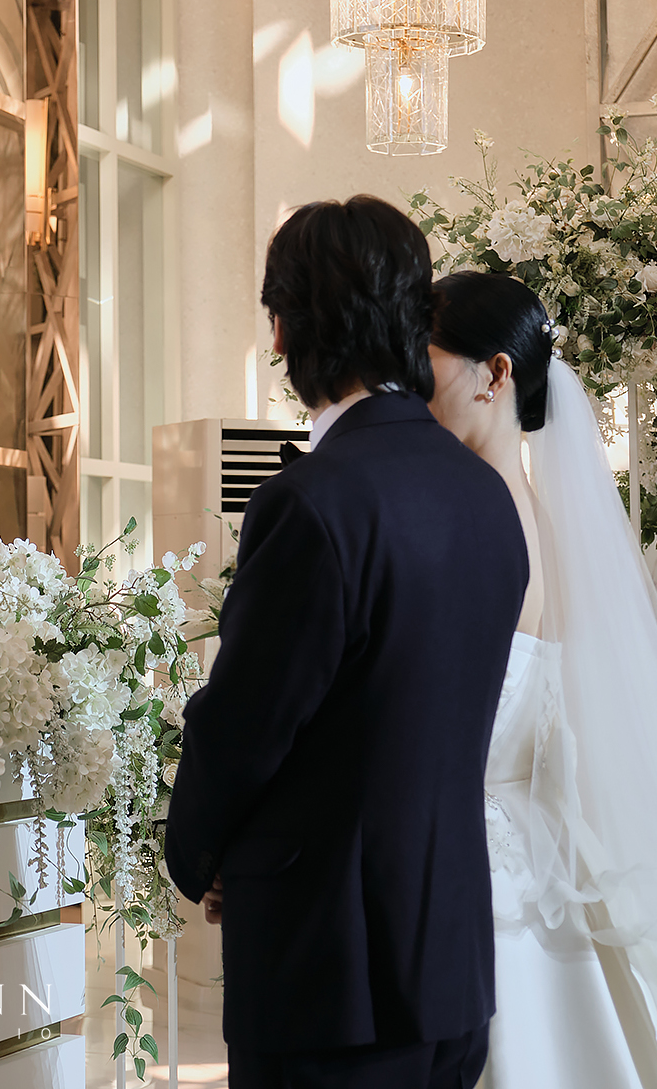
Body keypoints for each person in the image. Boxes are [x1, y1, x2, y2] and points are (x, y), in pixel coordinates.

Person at [164, 196, 530, 1089]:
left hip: (330, 973)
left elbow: (249, 723)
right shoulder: (487, 496)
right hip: (451, 961)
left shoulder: (310, 500)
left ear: (283, 330)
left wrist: (202, 853)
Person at [428, 271, 657, 1089]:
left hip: (484, 864)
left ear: (495, 374)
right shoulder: (539, 514)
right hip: (539, 847)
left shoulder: (479, 524)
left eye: (425, 361)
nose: (411, 390)